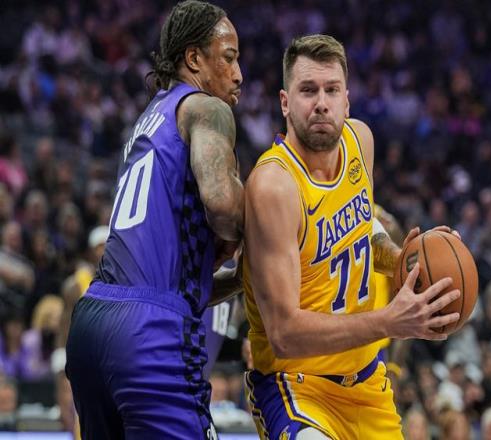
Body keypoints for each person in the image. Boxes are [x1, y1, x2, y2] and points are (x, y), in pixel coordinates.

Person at [243, 34, 461, 439]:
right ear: (285, 102)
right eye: (308, 90)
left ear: (347, 100)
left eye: (332, 90)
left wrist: (402, 260)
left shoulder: (360, 140)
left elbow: (364, 228)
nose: (321, 102)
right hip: (298, 387)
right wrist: (390, 322)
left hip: (367, 384)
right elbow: (284, 333)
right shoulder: (274, 185)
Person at [65, 1, 244, 439]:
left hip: (92, 323)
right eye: (229, 57)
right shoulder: (206, 108)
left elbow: (169, 281)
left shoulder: (148, 122)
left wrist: (241, 278)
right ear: (194, 58)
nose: (239, 75)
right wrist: (274, 217)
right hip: (150, 336)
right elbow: (223, 206)